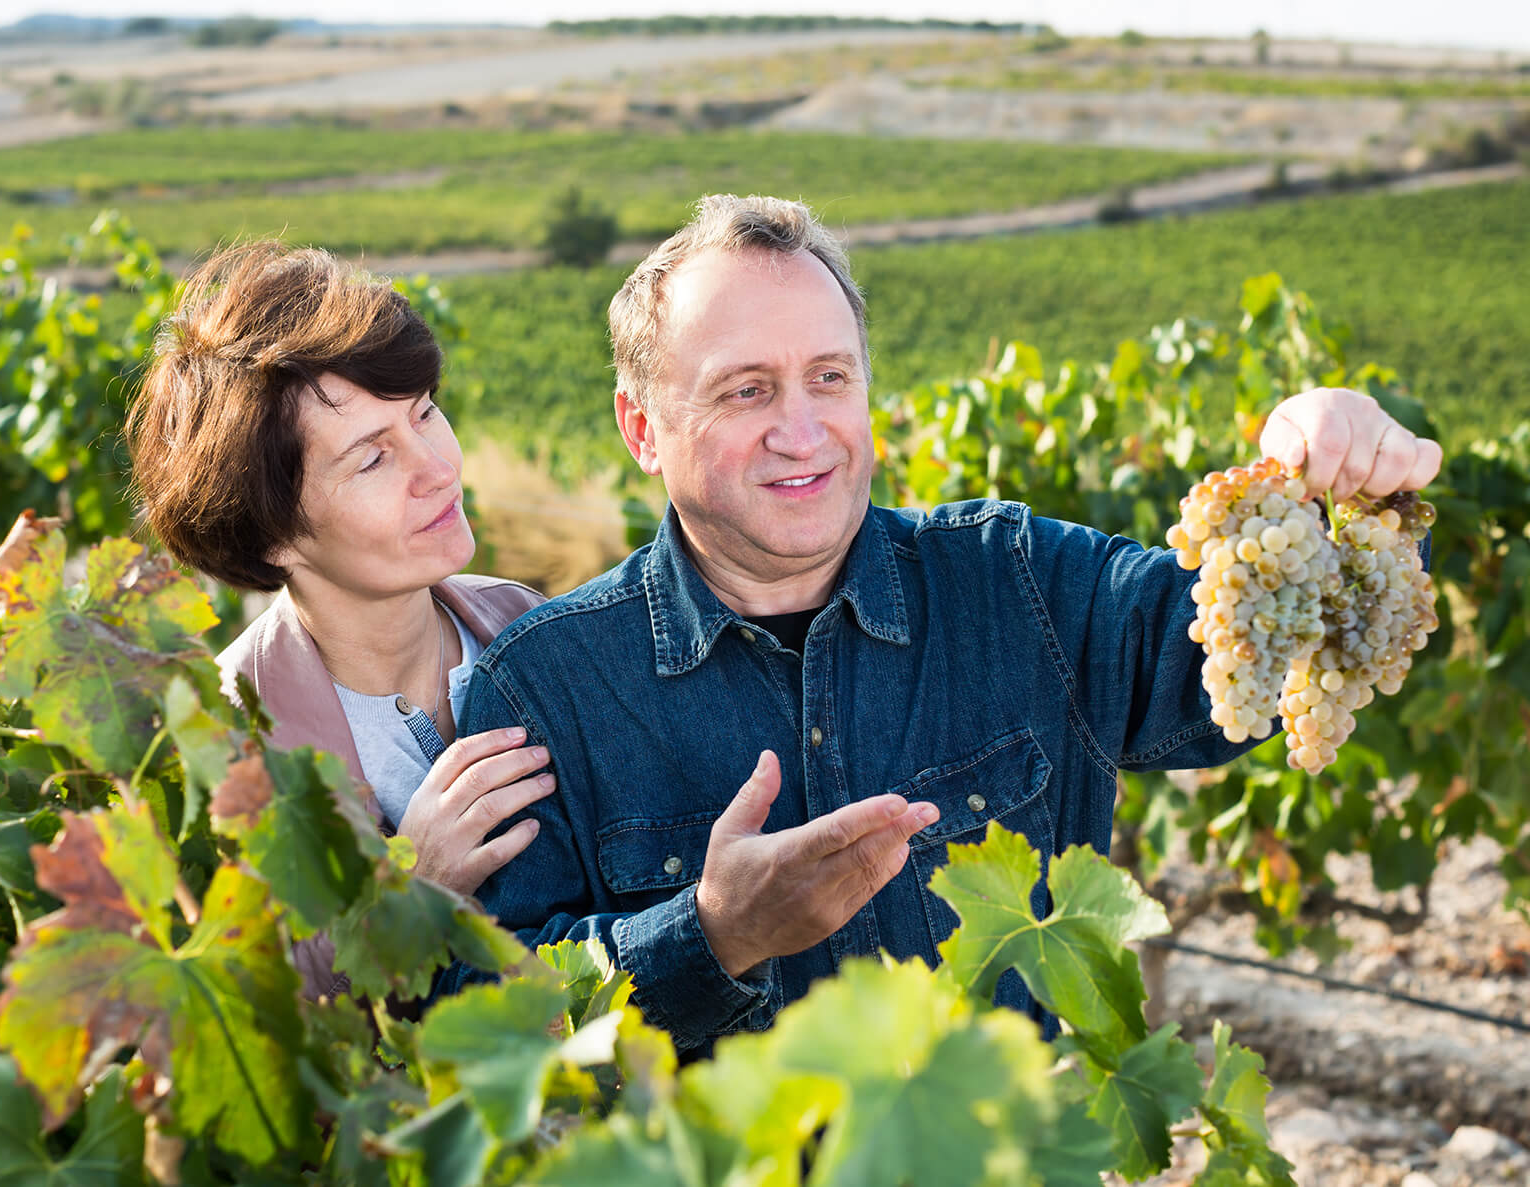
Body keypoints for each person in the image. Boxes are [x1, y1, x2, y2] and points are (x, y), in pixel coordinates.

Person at [438, 194, 1443, 1055]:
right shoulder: (545, 688)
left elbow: (1236, 659)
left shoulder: (1019, 581)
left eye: (830, 377)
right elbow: (496, 1023)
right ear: (642, 427)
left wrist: (1337, 478)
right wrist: (709, 936)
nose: (803, 430)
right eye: (747, 390)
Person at [125, 242, 554, 999]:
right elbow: (264, 1024)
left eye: (426, 412)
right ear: (272, 537)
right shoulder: (232, 746)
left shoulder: (527, 624)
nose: (436, 466)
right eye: (371, 459)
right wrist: (410, 890)